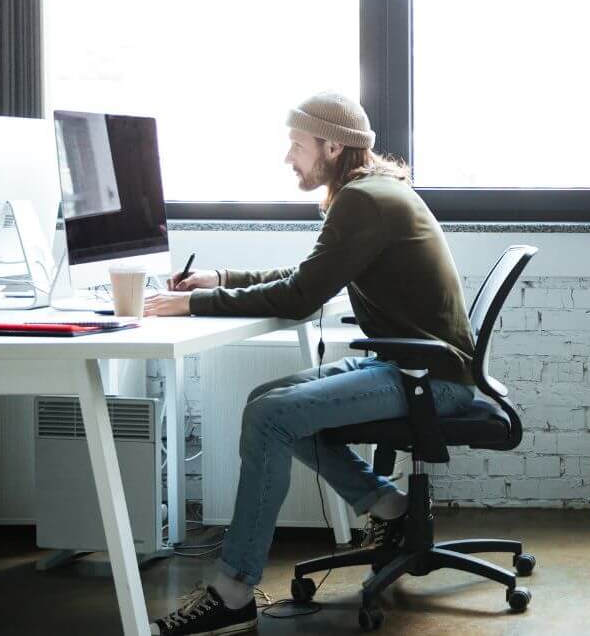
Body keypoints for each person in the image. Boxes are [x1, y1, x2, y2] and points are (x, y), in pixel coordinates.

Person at [139, 92, 477, 636]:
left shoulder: (364, 201)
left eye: (297, 144)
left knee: (271, 417)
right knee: (265, 404)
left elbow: (300, 298)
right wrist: (222, 279)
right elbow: (310, 278)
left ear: (332, 146)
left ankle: (232, 595)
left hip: (430, 378)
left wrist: (193, 303)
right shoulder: (371, 193)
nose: (287, 156)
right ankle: (391, 509)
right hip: (413, 366)